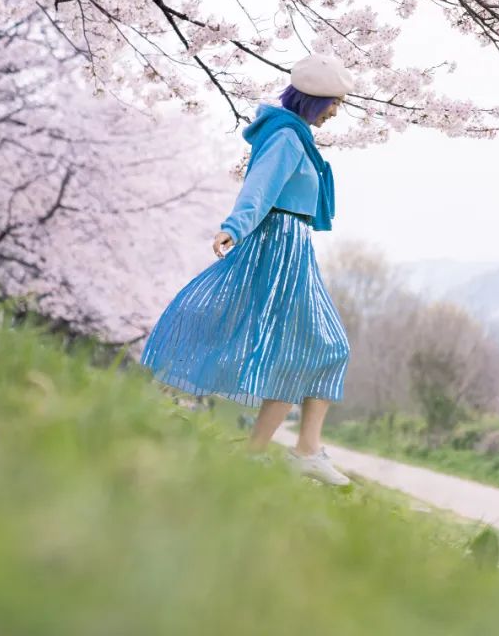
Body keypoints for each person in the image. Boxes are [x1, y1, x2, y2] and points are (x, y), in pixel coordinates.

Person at [141, 54, 354, 486]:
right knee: (326, 346)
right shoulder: (287, 139)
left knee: (307, 350)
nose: (336, 112)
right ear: (315, 100)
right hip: (279, 246)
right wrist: (233, 227)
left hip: (294, 247)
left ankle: (282, 452)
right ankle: (300, 452)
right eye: (334, 102)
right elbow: (259, 188)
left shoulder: (294, 136)